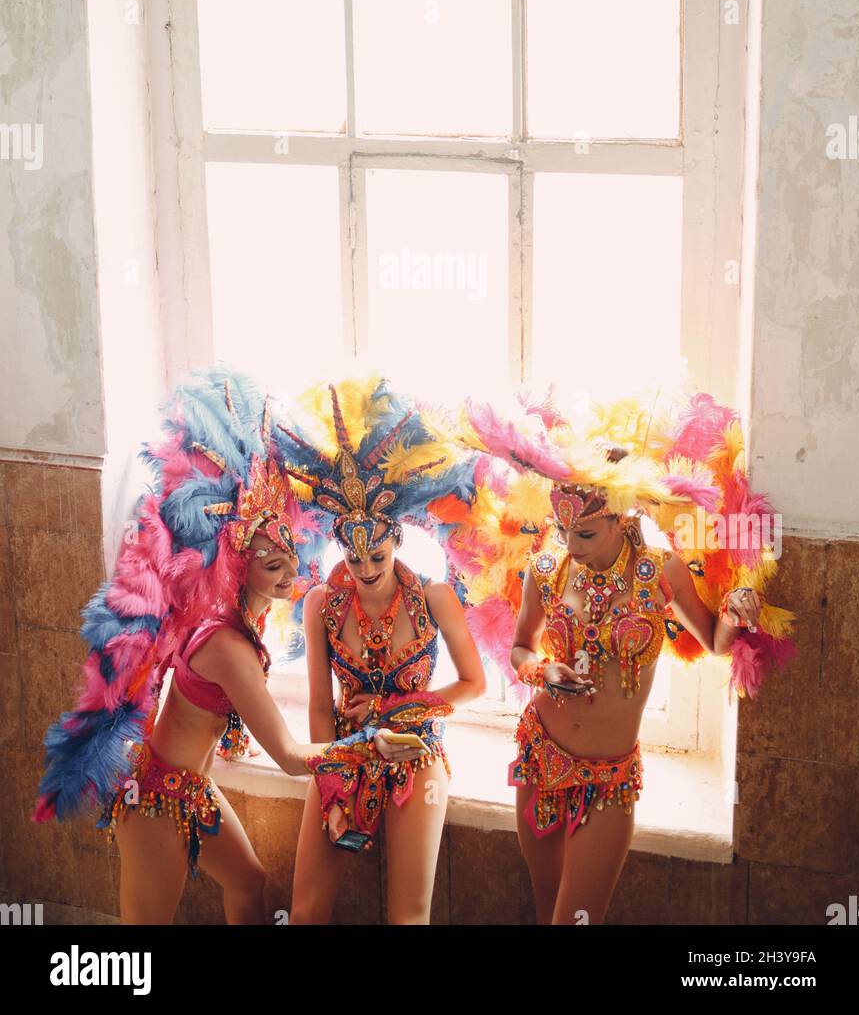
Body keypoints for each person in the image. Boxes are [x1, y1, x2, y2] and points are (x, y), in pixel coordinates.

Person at [33, 368, 419, 925]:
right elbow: (290, 759)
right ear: (240, 567)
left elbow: (213, 711)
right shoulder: (230, 649)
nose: (290, 574)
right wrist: (367, 744)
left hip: (189, 788)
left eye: (290, 558)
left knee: (249, 882)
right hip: (156, 801)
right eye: (271, 566)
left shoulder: (237, 627)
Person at [438, 389, 796, 925]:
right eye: (563, 530)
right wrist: (541, 669)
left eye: (584, 532)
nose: (571, 543)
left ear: (622, 519)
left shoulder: (660, 573)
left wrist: (736, 610)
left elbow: (714, 643)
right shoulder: (548, 569)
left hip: (608, 781)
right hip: (540, 756)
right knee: (545, 907)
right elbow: (518, 649)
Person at [275, 377, 487, 925]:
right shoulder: (321, 602)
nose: (366, 571)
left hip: (417, 751)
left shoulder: (435, 597)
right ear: (340, 545)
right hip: (343, 750)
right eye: (354, 558)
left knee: (408, 917)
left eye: (379, 558)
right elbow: (320, 707)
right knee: (304, 913)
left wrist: (402, 710)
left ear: (397, 538)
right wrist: (332, 779)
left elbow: (474, 684)